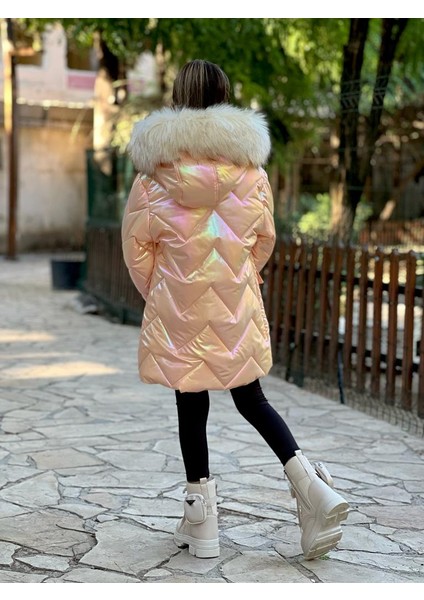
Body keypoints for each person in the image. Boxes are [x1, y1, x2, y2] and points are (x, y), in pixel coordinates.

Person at [121, 59, 349, 561]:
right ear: (225, 98)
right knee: (251, 398)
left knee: (190, 401)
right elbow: (263, 240)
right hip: (235, 299)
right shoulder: (252, 174)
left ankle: (202, 527)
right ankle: (312, 488)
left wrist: (163, 292)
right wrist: (237, 278)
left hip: (177, 302)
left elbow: (136, 250)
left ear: (178, 99)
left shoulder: (153, 176)